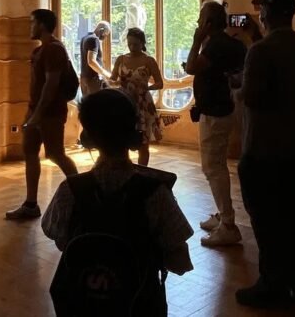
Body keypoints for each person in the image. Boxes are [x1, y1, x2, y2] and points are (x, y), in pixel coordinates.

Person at [42, 89, 193, 316]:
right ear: (132, 132)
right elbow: (180, 263)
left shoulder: (70, 190)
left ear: (87, 138)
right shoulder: (156, 192)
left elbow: (61, 240)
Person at [236, 0, 295, 308]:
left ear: (269, 13)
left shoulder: (261, 52)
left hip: (263, 149)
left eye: (262, 9)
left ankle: (271, 284)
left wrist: (236, 87)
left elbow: (253, 96)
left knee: (265, 221)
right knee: (294, 219)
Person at [183, 0, 247, 247]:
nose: (198, 22)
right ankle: (223, 214)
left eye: (201, 18)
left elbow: (191, 67)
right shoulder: (231, 43)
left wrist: (196, 40)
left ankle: (228, 224)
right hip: (222, 109)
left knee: (213, 167)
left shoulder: (215, 44)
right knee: (216, 165)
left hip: (215, 113)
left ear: (209, 22)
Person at [5, 8, 80, 221]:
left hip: (50, 114)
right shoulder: (39, 51)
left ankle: (83, 193)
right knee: (30, 153)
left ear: (42, 25)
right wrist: (32, 113)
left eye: (32, 22)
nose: (29, 27)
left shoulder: (54, 50)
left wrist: (37, 115)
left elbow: (51, 84)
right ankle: (30, 205)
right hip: (35, 111)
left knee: (55, 154)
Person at [110, 27, 164, 165]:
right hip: (124, 102)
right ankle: (124, 170)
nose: (132, 47)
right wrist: (115, 83)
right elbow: (112, 79)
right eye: (129, 44)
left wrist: (148, 87)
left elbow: (160, 83)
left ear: (142, 43)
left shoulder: (149, 60)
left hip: (143, 103)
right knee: (123, 140)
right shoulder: (121, 59)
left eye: (135, 44)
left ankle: (142, 171)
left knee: (143, 142)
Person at [80, 20, 111, 98]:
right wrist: (104, 73)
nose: (105, 37)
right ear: (101, 30)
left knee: (87, 106)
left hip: (84, 78)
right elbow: (91, 61)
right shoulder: (94, 39)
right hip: (92, 80)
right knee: (96, 106)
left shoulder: (84, 37)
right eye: (105, 34)